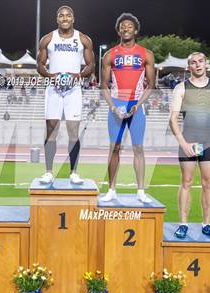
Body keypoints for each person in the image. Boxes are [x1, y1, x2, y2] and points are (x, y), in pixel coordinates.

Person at [169, 52, 210, 239]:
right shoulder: (181, 88)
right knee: (186, 182)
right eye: (193, 63)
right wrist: (183, 142)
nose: (197, 65)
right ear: (189, 67)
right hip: (189, 140)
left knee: (208, 183)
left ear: (206, 64)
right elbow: (173, 118)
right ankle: (183, 224)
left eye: (200, 61)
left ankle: (206, 224)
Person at [100, 13, 155, 203]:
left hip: (136, 106)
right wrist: (113, 107)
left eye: (129, 26)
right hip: (117, 104)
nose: (125, 29)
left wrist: (138, 104)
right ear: (118, 30)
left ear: (136, 30)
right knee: (114, 148)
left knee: (138, 148)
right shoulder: (109, 55)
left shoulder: (146, 54)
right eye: (122, 26)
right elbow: (104, 86)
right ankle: (111, 189)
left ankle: (140, 191)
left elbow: (150, 85)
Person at [36, 5, 94, 184]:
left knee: (73, 132)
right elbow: (39, 65)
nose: (65, 18)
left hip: (73, 91)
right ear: (57, 19)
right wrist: (50, 76)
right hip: (53, 90)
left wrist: (79, 75)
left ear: (73, 18)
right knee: (51, 130)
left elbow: (91, 65)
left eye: (68, 15)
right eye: (61, 15)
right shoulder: (47, 39)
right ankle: (48, 172)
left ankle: (74, 172)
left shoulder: (83, 39)